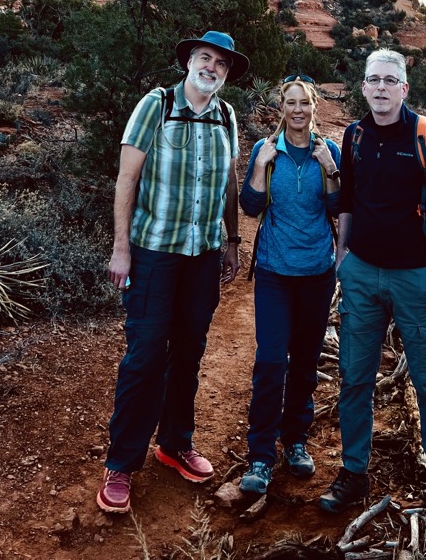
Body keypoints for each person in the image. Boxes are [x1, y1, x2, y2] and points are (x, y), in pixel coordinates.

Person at [320, 49, 426, 533]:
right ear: (363, 87)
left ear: (404, 89)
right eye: (373, 80)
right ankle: (353, 473)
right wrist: (343, 258)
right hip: (363, 275)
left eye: (391, 80)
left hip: (418, 279)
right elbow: (347, 200)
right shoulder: (355, 135)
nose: (382, 88)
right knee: (354, 378)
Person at [96, 30, 249, 516]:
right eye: (205, 58)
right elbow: (127, 178)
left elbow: (228, 183)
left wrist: (231, 241)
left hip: (203, 255)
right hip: (154, 253)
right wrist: (121, 249)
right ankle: (121, 463)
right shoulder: (155, 105)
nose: (212, 68)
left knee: (188, 351)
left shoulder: (226, 116)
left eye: (221, 64)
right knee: (144, 356)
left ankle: (174, 443)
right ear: (189, 62)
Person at [238, 75, 342, 495]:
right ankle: (260, 455)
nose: (297, 110)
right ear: (281, 107)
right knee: (270, 363)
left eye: (304, 103)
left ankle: (295, 441)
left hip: (317, 272)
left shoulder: (327, 150)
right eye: (290, 103)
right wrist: (261, 166)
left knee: (304, 361)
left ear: (314, 107)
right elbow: (249, 207)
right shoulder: (267, 151)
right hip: (275, 272)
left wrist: (331, 170)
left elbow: (336, 206)